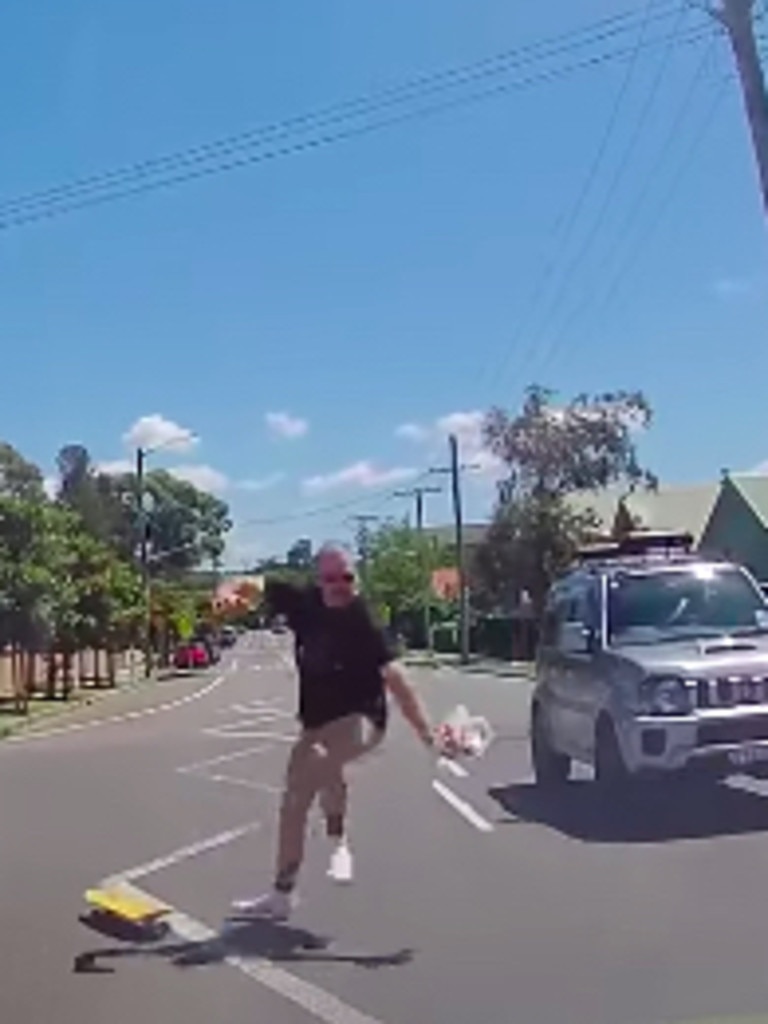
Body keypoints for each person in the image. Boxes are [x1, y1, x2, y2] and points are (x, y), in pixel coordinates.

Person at [232, 542, 439, 921]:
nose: (340, 587)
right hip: (315, 723)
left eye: (347, 578)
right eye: (331, 580)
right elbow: (249, 583)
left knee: (318, 763)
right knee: (294, 799)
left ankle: (333, 838)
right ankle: (282, 893)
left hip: (363, 720)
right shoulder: (302, 603)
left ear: (355, 579)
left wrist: (427, 734)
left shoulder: (364, 621)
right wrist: (226, 594)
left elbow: (397, 680)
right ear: (318, 581)